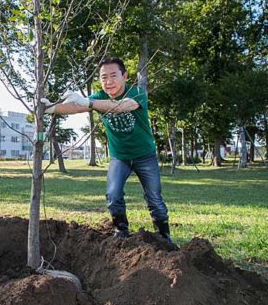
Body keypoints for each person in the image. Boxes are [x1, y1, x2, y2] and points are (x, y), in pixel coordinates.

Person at [42, 57, 172, 244]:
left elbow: (120, 107)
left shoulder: (135, 93)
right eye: (103, 77)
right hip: (120, 157)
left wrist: (88, 103)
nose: (108, 81)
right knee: (113, 195)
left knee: (154, 198)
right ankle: (121, 231)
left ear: (124, 76)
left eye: (113, 76)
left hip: (145, 156)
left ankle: (164, 237)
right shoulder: (98, 98)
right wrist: (51, 108)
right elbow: (75, 107)